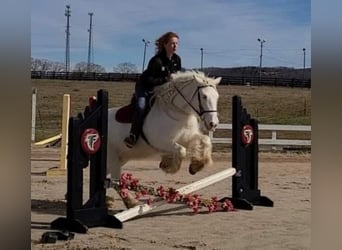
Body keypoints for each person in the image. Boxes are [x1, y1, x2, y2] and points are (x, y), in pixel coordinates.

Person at [124, 31, 182, 148]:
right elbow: (149, 80)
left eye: (176, 44)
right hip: (145, 87)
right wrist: (165, 79)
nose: (175, 46)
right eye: (172, 43)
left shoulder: (177, 60)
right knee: (141, 106)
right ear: (165, 45)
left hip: (163, 89)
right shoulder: (156, 60)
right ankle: (133, 135)